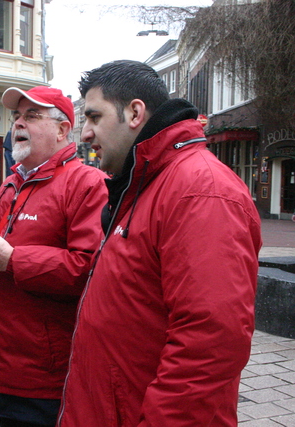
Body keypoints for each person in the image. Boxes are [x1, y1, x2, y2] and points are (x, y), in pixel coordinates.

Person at [57, 60, 262, 426]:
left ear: (135, 112)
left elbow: (211, 341)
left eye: (94, 117)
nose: (85, 133)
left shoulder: (200, 191)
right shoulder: (143, 183)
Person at [0, 86, 108, 426]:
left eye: (32, 116)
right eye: (16, 117)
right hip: (4, 365)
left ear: (61, 130)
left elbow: (88, 269)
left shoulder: (87, 184)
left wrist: (12, 260)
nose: (18, 124)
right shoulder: (9, 185)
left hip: (49, 373)